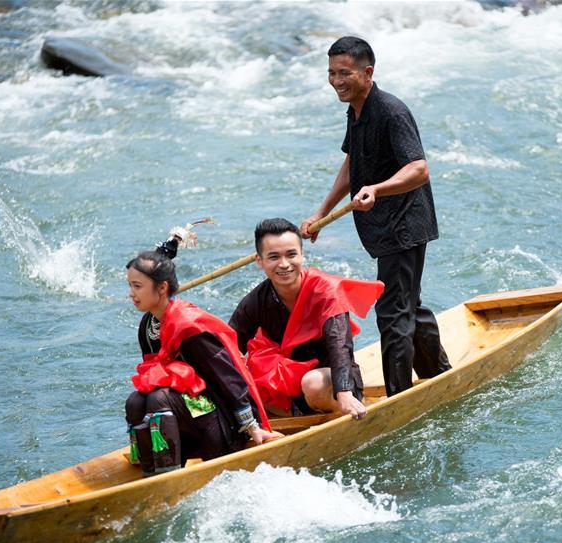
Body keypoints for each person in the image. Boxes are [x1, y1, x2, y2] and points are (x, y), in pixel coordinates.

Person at [301, 36, 452, 398]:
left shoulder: (390, 111)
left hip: (404, 224)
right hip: (384, 226)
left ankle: (397, 397)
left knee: (392, 312)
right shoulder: (356, 109)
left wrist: (378, 189)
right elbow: (353, 162)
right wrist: (320, 212)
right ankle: (438, 372)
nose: (337, 81)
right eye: (331, 73)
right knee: (407, 304)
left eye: (345, 73)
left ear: (368, 72)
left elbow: (418, 169)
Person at [124, 233, 282, 477]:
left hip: (223, 425)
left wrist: (252, 427)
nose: (131, 294)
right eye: (130, 286)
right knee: (135, 401)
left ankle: (167, 478)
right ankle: (150, 471)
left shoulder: (188, 325)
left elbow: (227, 376)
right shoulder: (148, 326)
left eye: (137, 286)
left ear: (162, 287)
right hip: (190, 418)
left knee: (159, 399)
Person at [229, 218, 384, 420]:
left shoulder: (326, 290)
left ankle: (340, 409)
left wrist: (344, 392)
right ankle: (292, 411)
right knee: (242, 380)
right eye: (274, 257)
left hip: (330, 382)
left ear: (302, 255)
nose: (284, 264)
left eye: (291, 254)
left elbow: (340, 345)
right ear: (260, 261)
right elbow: (228, 346)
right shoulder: (255, 301)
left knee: (313, 384)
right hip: (285, 386)